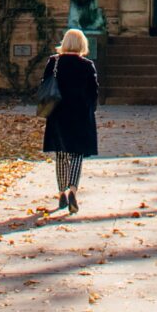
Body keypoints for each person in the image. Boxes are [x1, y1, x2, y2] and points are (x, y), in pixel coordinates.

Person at [41, 27, 99, 214]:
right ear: (82, 44)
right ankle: (73, 188)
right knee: (76, 154)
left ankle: (61, 193)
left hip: (58, 113)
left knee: (60, 154)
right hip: (80, 113)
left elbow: (45, 85)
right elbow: (93, 92)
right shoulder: (87, 65)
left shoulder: (54, 62)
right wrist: (91, 110)